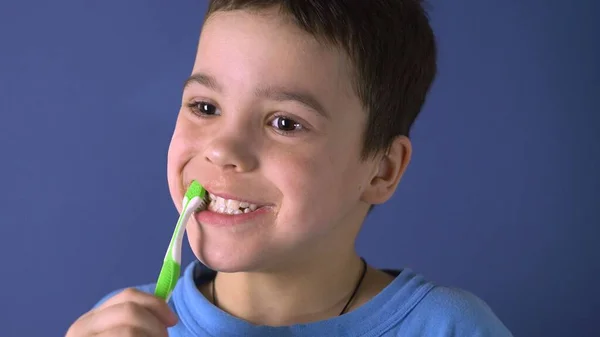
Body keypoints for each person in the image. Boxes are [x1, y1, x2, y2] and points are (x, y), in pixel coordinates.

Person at [66, 1, 513, 336]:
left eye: (285, 123)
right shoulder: (123, 325)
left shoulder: (450, 328)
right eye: (205, 106)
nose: (223, 149)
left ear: (382, 170)